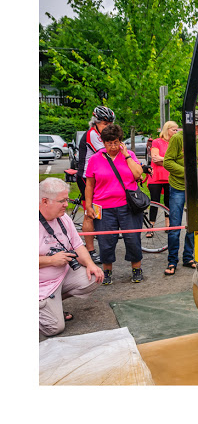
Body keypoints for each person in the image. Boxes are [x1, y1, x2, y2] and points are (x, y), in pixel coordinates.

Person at [39, 178, 104, 336]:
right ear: (45, 201)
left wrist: (90, 264)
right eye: (62, 201)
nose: (66, 205)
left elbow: (77, 245)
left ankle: (53, 303)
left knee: (94, 276)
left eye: (67, 200)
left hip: (61, 276)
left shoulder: (64, 218)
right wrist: (51, 261)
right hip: (40, 283)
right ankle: (44, 305)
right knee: (55, 328)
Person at [85, 124, 145, 284]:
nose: (113, 146)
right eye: (109, 143)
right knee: (106, 241)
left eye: (116, 142)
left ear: (121, 142)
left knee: (133, 238)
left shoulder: (129, 155)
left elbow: (138, 174)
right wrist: (88, 206)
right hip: (103, 207)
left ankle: (136, 269)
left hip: (128, 206)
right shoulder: (94, 159)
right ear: (103, 143)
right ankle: (107, 272)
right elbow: (89, 184)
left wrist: (126, 155)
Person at [163, 111, 198, 276]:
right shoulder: (177, 138)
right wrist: (187, 172)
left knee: (192, 224)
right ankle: (172, 260)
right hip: (178, 186)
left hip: (193, 188)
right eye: (196, 125)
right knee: (175, 226)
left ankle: (188, 256)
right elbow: (167, 162)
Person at [76, 106, 116, 264]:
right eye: (105, 123)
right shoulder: (93, 134)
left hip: (96, 177)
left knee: (98, 211)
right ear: (96, 122)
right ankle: (90, 251)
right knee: (90, 213)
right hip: (86, 177)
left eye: (110, 123)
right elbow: (109, 152)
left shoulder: (100, 134)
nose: (108, 127)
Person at [147, 121, 179, 238]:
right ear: (167, 130)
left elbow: (177, 160)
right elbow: (155, 159)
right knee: (155, 201)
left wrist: (163, 159)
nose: (176, 132)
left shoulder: (175, 143)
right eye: (173, 130)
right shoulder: (157, 142)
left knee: (168, 201)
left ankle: (167, 225)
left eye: (176, 130)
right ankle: (150, 227)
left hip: (169, 176)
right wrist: (170, 161)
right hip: (156, 176)